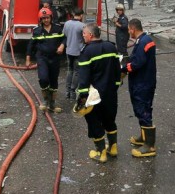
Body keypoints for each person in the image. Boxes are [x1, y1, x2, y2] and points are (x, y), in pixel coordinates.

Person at [74, 23, 122, 163]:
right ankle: (113, 148)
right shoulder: (111, 47)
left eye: (84, 33)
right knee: (109, 120)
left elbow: (83, 79)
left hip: (94, 97)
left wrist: (82, 99)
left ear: (91, 35)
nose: (83, 36)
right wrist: (115, 87)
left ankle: (101, 153)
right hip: (110, 93)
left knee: (95, 123)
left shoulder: (86, 52)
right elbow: (117, 71)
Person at [123, 18, 157, 158]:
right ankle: (144, 137)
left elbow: (137, 62)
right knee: (140, 109)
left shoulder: (144, 41)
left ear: (133, 29)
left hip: (143, 83)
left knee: (144, 111)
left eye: (129, 30)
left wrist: (123, 69)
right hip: (141, 81)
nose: (128, 32)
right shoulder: (143, 40)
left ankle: (149, 146)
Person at [25, 7, 65, 112]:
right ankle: (45, 100)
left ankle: (52, 104)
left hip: (55, 58)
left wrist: (62, 46)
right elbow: (30, 45)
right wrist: (28, 59)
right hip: (42, 58)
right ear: (40, 20)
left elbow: (64, 39)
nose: (46, 20)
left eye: (47, 18)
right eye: (43, 18)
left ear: (51, 17)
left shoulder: (57, 29)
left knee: (53, 81)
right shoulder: (37, 31)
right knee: (43, 79)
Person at [61, 8, 85, 98]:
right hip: (78, 51)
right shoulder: (82, 26)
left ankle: (67, 91)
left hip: (69, 50)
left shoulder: (67, 23)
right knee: (77, 72)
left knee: (70, 70)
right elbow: (85, 39)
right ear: (81, 15)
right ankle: (73, 91)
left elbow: (65, 35)